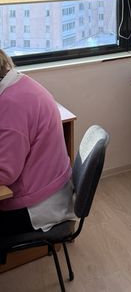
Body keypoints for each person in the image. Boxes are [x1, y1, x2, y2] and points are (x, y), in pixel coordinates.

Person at [0, 49, 74, 237]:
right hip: (51, 188)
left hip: (37, 205)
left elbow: (4, 174)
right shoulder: (19, 83)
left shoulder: (11, 105)